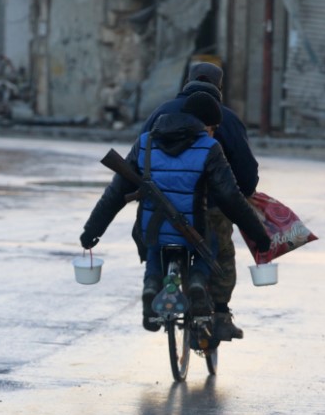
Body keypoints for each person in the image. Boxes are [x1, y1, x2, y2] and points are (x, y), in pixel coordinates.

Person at [79, 91, 271, 339]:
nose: (212, 134)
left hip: (153, 229)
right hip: (193, 229)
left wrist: (92, 231)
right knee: (210, 242)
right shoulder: (209, 148)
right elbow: (230, 198)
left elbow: (116, 192)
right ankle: (198, 283)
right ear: (207, 125)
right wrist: (260, 235)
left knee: (153, 247)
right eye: (212, 128)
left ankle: (151, 287)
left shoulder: (145, 142)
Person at [139, 62, 257, 339]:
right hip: (209, 207)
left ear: (186, 82)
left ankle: (153, 284)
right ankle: (219, 313)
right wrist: (243, 195)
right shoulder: (225, 118)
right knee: (221, 254)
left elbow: (139, 153)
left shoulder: (160, 112)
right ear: (220, 88)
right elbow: (247, 172)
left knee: (155, 243)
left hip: (160, 204)